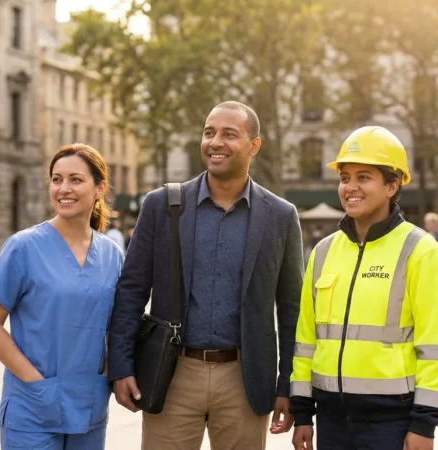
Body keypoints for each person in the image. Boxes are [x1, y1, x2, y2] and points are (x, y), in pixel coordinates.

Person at [109, 101, 303, 450]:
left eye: (230, 134)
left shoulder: (281, 215)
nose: (215, 142)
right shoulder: (162, 205)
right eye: (209, 133)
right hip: (172, 374)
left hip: (246, 380)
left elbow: (292, 310)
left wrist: (289, 385)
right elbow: (131, 290)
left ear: (254, 146)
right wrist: (121, 366)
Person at [291, 126, 438, 450]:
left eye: (363, 177)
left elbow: (437, 347)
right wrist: (302, 414)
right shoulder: (323, 252)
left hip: (391, 424)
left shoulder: (421, 252)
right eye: (344, 177)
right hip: (331, 421)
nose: (350, 187)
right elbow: (306, 340)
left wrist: (425, 424)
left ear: (392, 185)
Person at [0, 144, 124, 450]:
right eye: (56, 180)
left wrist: (107, 374)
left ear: (100, 188)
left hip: (89, 406)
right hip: (32, 410)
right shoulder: (23, 247)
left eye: (75, 179)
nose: (63, 189)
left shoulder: (112, 254)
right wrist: (34, 383)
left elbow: (118, 325)